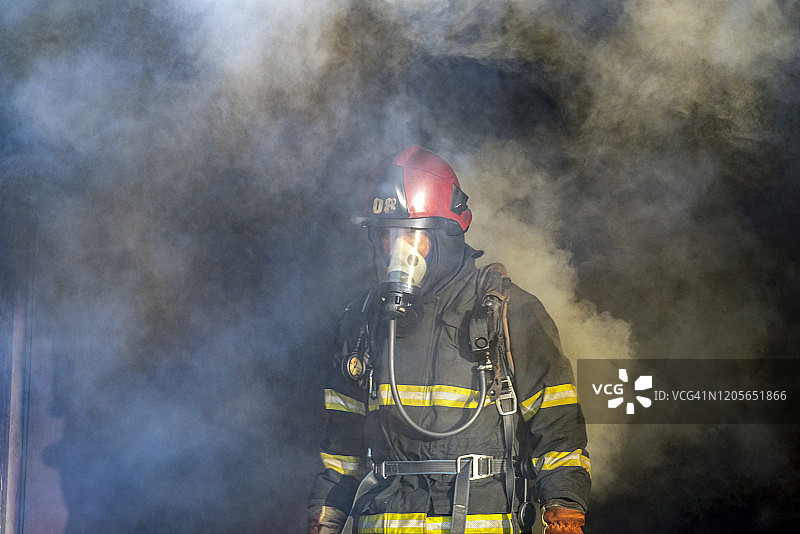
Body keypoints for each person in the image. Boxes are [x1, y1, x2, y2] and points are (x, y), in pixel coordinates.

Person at [306, 146, 590, 534]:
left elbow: (558, 425)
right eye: (387, 236)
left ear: (446, 235)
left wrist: (564, 509)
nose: (397, 251)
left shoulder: (509, 314)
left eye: (411, 234)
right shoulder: (362, 320)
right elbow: (341, 445)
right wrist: (325, 520)